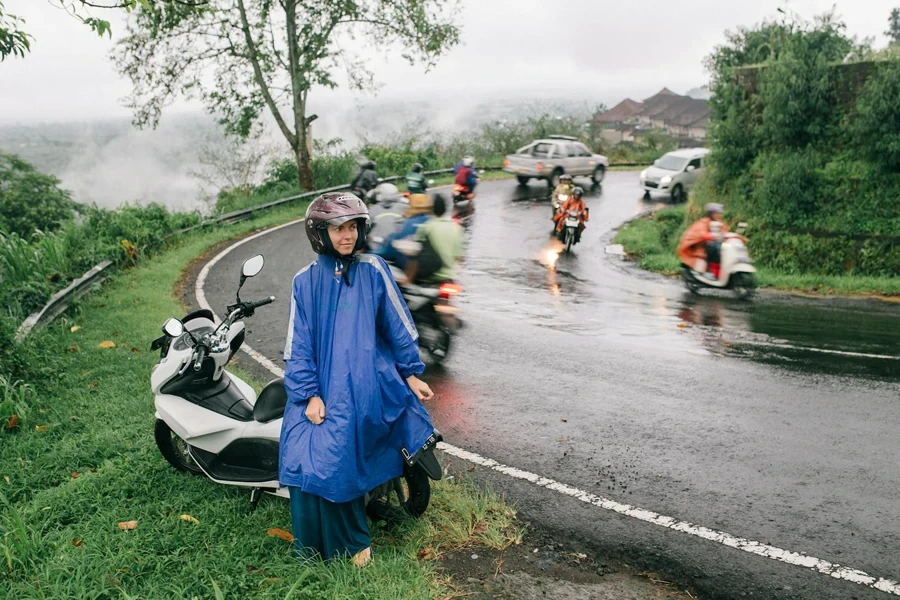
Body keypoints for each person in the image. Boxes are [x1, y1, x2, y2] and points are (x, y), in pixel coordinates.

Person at [281, 192, 436, 567]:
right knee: (300, 453)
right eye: (337, 228)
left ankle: (352, 545)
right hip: (321, 387)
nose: (347, 235)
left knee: (337, 459)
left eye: (352, 226)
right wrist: (307, 395)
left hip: (366, 384)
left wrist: (412, 373)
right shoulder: (305, 281)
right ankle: (313, 548)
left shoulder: (374, 270)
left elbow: (398, 326)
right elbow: (297, 344)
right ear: (320, 233)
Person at [406, 194, 465, 285]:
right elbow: (459, 257)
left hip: (430, 277)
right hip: (449, 277)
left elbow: (416, 254)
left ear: (431, 209)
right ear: (445, 209)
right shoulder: (457, 228)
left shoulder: (427, 227)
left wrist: (408, 279)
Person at [677, 202, 738, 280]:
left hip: (717, 244)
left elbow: (725, 231)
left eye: (719, 213)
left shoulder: (720, 222)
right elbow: (702, 234)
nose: (718, 215)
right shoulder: (703, 222)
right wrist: (712, 236)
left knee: (723, 250)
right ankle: (709, 272)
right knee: (714, 250)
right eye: (716, 213)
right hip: (702, 246)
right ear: (711, 214)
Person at [374, 193, 433, 269]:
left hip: (410, 270)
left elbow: (390, 247)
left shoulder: (407, 224)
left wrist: (373, 253)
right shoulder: (435, 223)